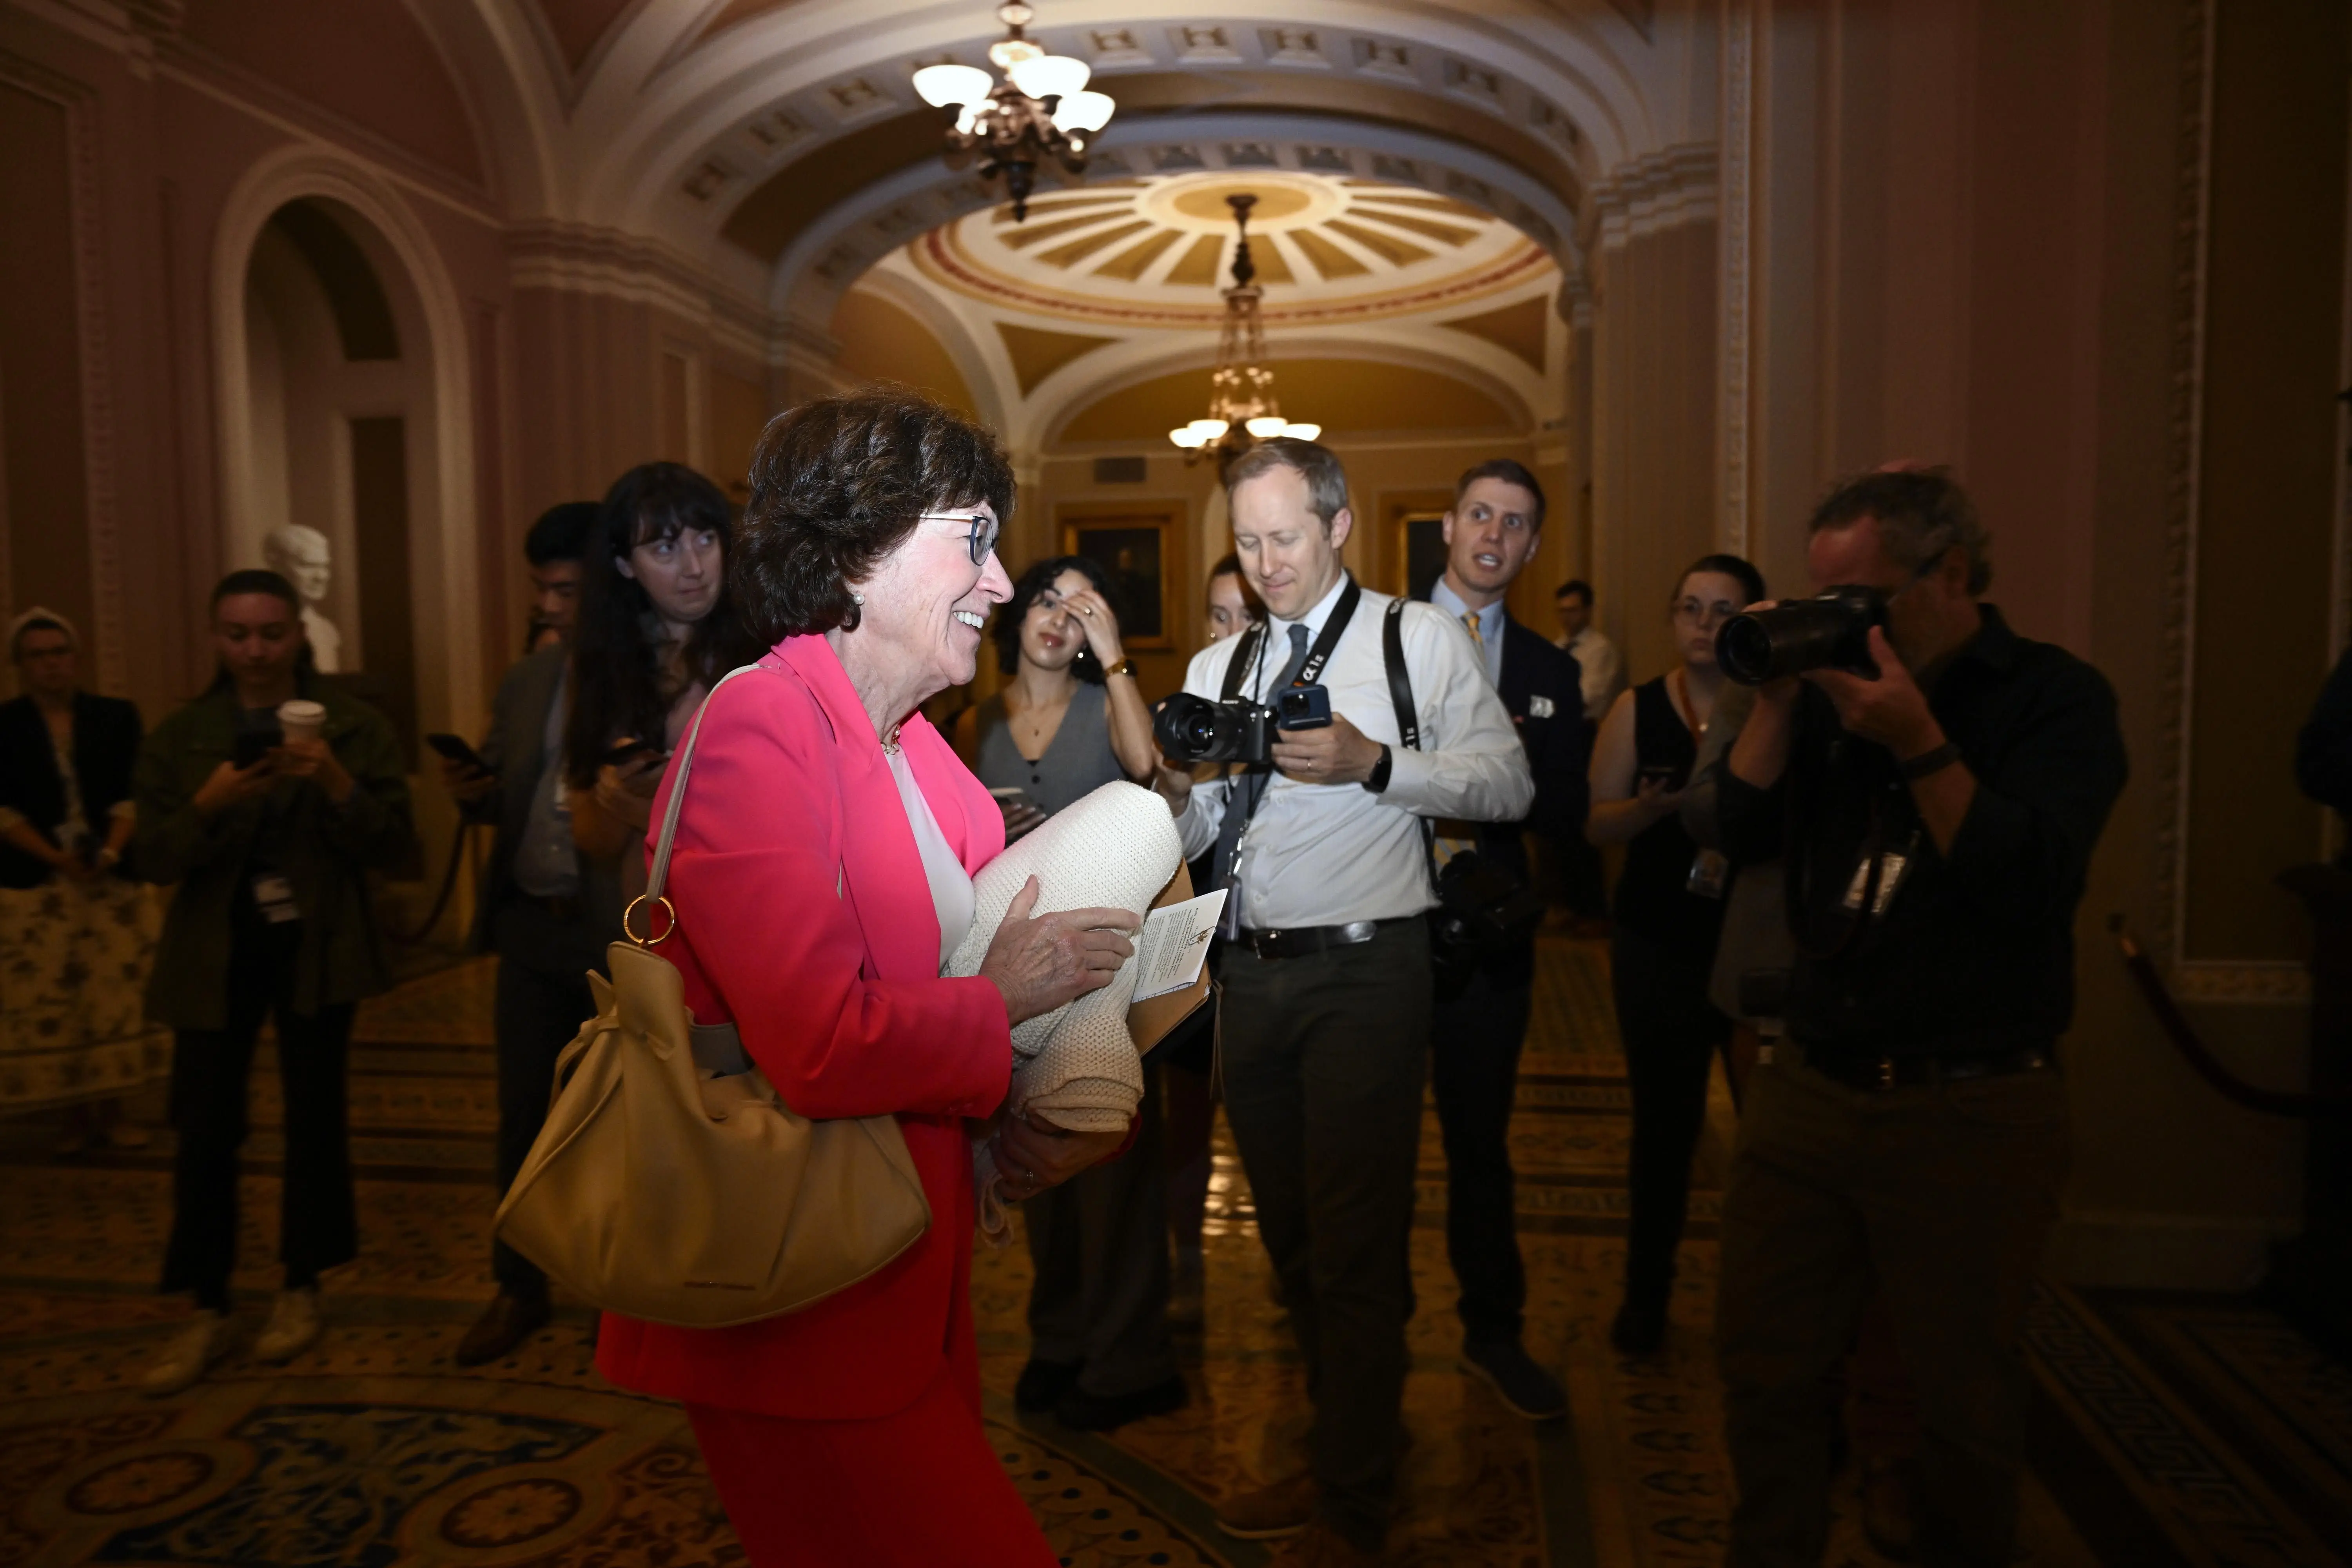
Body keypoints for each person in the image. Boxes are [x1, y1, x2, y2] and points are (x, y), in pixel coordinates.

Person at [594, 388, 1143, 1567]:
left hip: (902, 1254)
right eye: (975, 540)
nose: (1000, 586)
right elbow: (819, 1042)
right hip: (790, 1290)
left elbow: (946, 976)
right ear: (855, 548)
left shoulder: (918, 746)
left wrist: (1013, 1119)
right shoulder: (758, 726)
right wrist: (1005, 1000)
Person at [1712, 468, 2126, 1568]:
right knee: (1764, 1363)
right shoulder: (1830, 700)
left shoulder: (2054, 697)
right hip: (1811, 1083)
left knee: (1963, 1399)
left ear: (1949, 575)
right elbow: (1731, 838)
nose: (1841, 623)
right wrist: (1774, 694)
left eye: (1858, 600)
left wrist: (1916, 740)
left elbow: (2027, 881)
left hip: (1973, 1103)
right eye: (1822, 599)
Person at [1155, 438, 1533, 1564]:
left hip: (1372, 970)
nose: (1268, 562)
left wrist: (1379, 764)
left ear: (1338, 526)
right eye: (1249, 539)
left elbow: (1508, 782)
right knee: (1292, 1239)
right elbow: (1201, 835)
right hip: (1252, 974)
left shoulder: (1414, 638)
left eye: (1287, 536)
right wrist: (1167, 801)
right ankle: (1342, 1441)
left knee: (1358, 1241)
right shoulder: (1222, 668)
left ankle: (1357, 1500)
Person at [131, 569, 412, 1395]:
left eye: (271, 633)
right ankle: (206, 1302)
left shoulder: (353, 727)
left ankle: (302, 1283)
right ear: (216, 638)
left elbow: (397, 847)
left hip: (318, 947)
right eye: (237, 633)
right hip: (212, 952)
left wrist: (333, 780)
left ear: (299, 636)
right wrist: (212, 801)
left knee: (314, 1118)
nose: (254, 650)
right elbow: (151, 856)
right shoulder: (184, 734)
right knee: (205, 1128)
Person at [952, 556, 1183, 1430]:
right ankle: (1058, 1339)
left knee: (1111, 1159)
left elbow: (1148, 770)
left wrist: (1113, 654)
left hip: (1106, 958)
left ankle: (1132, 1357)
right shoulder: (972, 721)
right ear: (1017, 612)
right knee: (1033, 1151)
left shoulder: (1103, 706)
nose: (1059, 616)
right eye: (1048, 597)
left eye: (1081, 607)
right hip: (1014, 959)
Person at [1419, 459, 1592, 1421]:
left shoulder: (1549, 673)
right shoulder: (1378, 637)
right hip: (1384, 929)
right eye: (1480, 513)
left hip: (1490, 939)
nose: (1494, 534)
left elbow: (1562, 814)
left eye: (1515, 523)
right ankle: (1354, 1336)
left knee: (1480, 1145)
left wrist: (1505, 771)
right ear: (1448, 525)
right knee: (1367, 1145)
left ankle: (1495, 1330)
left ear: (1530, 546)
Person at [1585, 552, 1765, 1355]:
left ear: (1750, 622)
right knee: (1665, 1125)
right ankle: (1645, 1299)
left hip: (1752, 943)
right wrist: (1651, 810)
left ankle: (1764, 1307)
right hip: (1657, 936)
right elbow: (1597, 823)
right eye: (1690, 607)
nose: (1703, 624)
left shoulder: (1776, 707)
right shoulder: (1637, 706)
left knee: (1768, 1140)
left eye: (1723, 610)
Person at [443, 500, 605, 1367]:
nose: (551, 606)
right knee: (521, 1117)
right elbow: (506, 778)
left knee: (624, 1112)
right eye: (543, 590)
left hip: (616, 931)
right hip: (530, 924)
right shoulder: (527, 678)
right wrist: (472, 789)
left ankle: (627, 1292)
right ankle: (518, 1284)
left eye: (568, 588)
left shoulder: (648, 674)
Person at [563, 463, 759, 919]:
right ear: (625, 564)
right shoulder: (605, 666)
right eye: (666, 548)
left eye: (706, 540)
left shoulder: (771, 646)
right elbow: (591, 839)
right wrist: (626, 797)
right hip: (656, 913)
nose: (693, 568)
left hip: (756, 905)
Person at [0, 609, 162, 1151]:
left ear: (76, 657)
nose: (51, 664)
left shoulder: (115, 717)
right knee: (53, 998)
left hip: (109, 879)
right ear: (21, 665)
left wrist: (111, 852)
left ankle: (115, 1112)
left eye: (60, 652)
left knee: (111, 993)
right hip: (38, 883)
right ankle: (70, 1116)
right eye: (38, 655)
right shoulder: (5, 724)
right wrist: (55, 857)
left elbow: (135, 789)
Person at [1161, 552, 1263, 1326]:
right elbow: (1183, 834)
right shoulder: (1196, 712)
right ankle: (1185, 1247)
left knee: (1270, 1117)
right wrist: (1182, 778)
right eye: (1218, 617)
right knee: (1188, 1106)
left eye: (1248, 618)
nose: (1231, 635)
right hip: (1195, 940)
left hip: (1269, 954)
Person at [1553, 579, 1624, 720]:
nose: (1566, 617)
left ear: (1587, 610)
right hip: (1555, 724)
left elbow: (1586, 698)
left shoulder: (1600, 649)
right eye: (1562, 611)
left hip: (1583, 726)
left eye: (1572, 610)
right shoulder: (1557, 646)